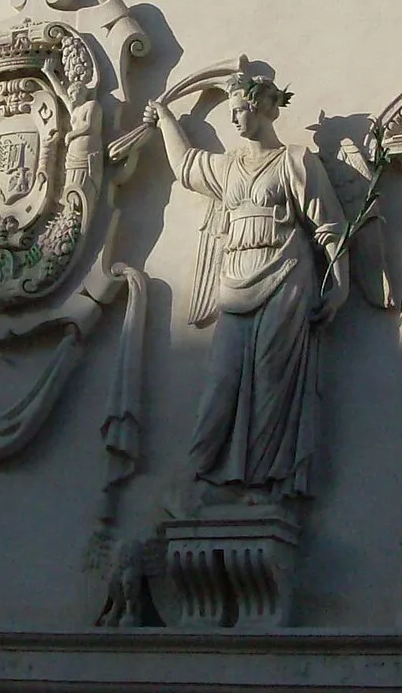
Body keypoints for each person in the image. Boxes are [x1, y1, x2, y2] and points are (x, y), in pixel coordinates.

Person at [145, 72, 348, 505]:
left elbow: (329, 224)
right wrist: (165, 119)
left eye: (239, 110)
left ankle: (264, 486)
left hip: (286, 276)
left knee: (272, 379)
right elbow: (186, 166)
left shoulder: (295, 161)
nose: (234, 119)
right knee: (222, 380)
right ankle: (203, 476)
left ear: (260, 108)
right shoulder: (229, 165)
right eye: (231, 111)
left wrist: (340, 281)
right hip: (236, 279)